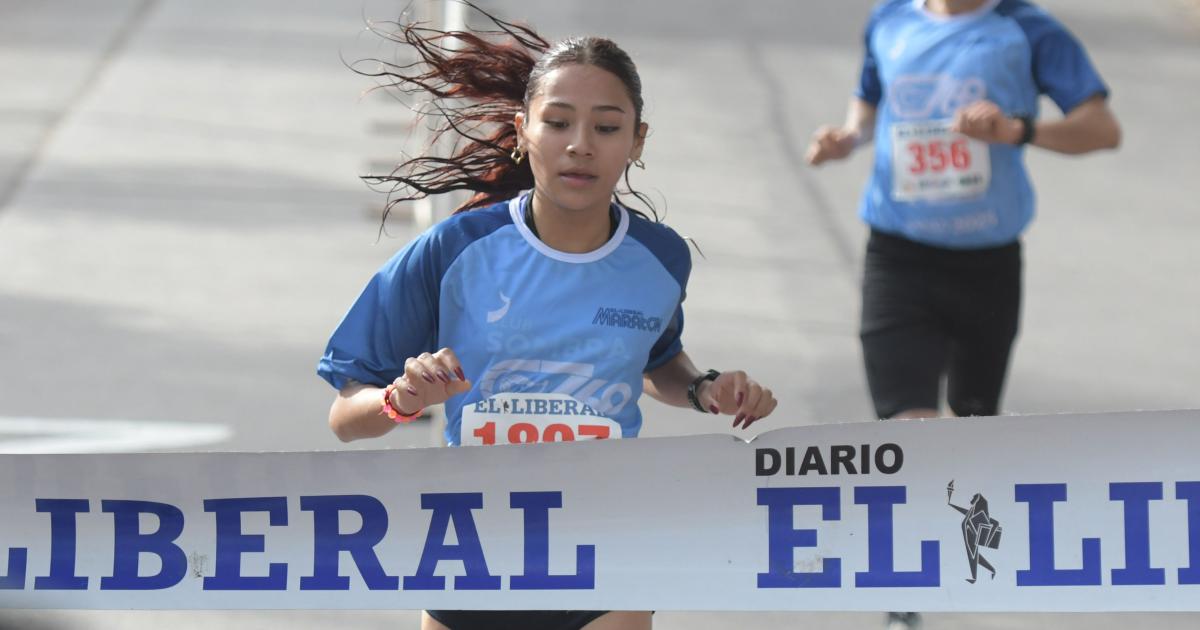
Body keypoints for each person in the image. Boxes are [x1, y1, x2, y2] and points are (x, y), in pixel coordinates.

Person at [317, 5, 777, 630]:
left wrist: (702, 388)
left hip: (605, 550)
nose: (580, 145)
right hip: (469, 551)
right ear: (523, 130)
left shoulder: (660, 259)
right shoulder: (454, 251)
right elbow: (346, 419)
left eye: (607, 127)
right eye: (557, 122)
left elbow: (653, 358)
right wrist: (403, 400)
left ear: (638, 140)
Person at [805, 0, 1118, 627]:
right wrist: (847, 138)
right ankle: (906, 598)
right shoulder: (891, 20)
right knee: (911, 433)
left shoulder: (1027, 29)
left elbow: (1102, 129)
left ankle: (951, 566)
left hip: (988, 266)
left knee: (971, 438)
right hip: (897, 259)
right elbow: (869, 105)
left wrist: (1018, 131)